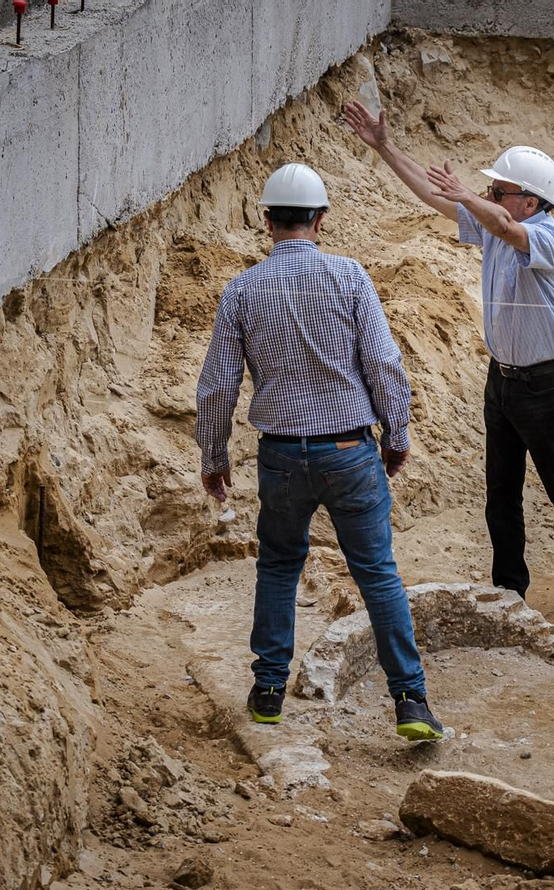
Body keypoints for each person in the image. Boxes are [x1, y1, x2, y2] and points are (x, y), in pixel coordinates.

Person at [194, 163, 446, 742]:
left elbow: (216, 385)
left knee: (279, 565)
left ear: (266, 221)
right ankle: (411, 702)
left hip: (281, 457)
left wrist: (214, 458)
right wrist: (397, 435)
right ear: (321, 219)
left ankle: (268, 692)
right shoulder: (350, 278)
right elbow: (384, 365)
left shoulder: (243, 289)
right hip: (349, 449)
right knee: (378, 574)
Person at [341, 101, 554, 621]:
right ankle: (510, 587)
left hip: (546, 382)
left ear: (529, 202)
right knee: (501, 492)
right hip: (503, 380)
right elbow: (433, 193)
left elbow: (510, 232)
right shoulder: (496, 220)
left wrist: (469, 195)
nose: (489, 197)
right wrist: (382, 146)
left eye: (499, 192)